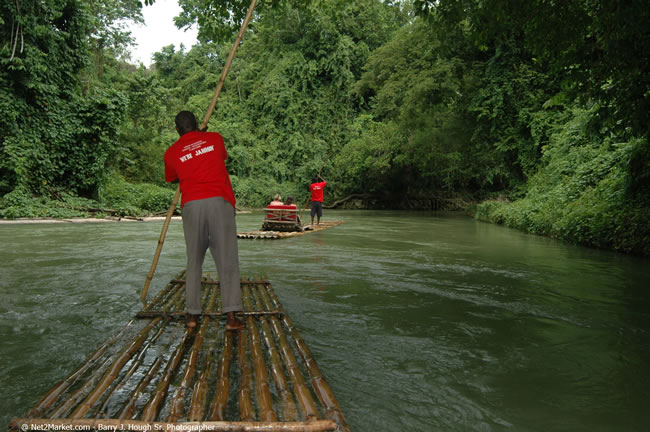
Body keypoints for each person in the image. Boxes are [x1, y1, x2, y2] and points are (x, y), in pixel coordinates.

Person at [164, 111, 245, 330]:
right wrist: (201, 138)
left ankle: (191, 316)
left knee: (194, 261)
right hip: (219, 201)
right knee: (227, 260)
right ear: (197, 124)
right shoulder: (215, 139)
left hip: (192, 205)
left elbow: (172, 178)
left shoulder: (171, 152)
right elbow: (220, 157)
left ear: (177, 129)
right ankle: (231, 318)